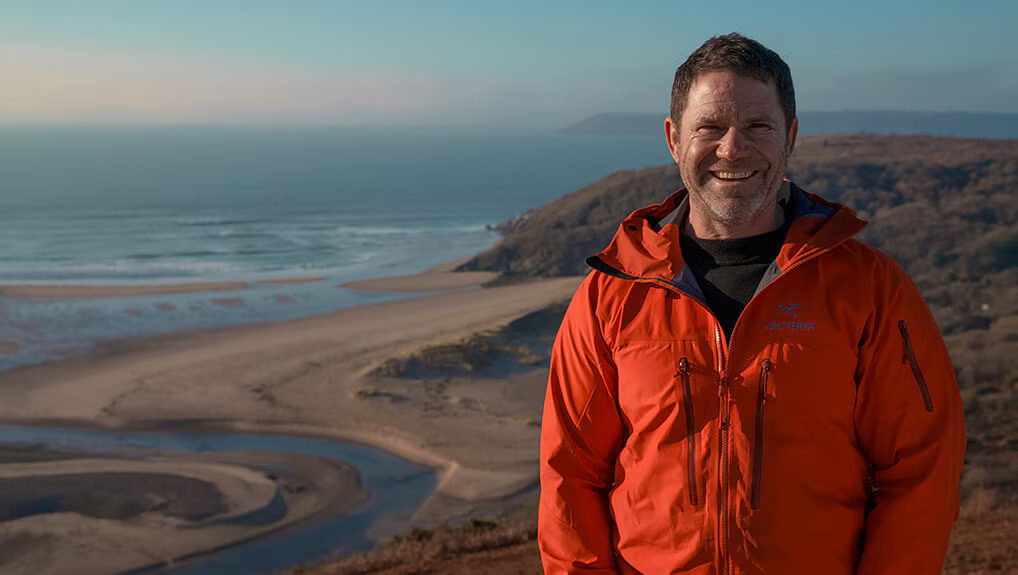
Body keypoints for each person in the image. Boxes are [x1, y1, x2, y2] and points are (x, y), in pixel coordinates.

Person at [538, 33, 966, 575]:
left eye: (757, 127)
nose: (732, 148)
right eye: (710, 128)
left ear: (790, 137)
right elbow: (568, 476)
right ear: (674, 139)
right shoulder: (612, 294)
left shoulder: (870, 289)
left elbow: (922, 473)